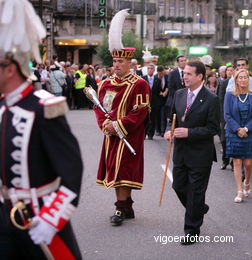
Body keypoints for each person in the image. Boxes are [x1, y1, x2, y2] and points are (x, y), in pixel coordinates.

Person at [0, 1, 83, 258]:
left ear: (10, 68)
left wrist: (51, 220)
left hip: (39, 218)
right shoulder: (3, 109)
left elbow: (71, 173)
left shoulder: (45, 108)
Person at [93, 9, 150, 226]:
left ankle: (120, 211)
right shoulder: (105, 83)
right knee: (114, 171)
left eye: (121, 62)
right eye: (115, 61)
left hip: (129, 134)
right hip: (110, 134)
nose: (116, 65)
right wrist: (105, 124)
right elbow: (98, 107)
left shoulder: (139, 84)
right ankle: (127, 207)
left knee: (124, 171)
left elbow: (140, 111)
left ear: (130, 64)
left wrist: (119, 125)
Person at [164, 60, 219, 245]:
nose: (184, 76)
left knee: (195, 191)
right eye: (184, 73)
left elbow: (213, 129)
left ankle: (192, 230)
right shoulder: (179, 94)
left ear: (200, 76)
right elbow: (171, 117)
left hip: (200, 154)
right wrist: (168, 130)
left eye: (188, 74)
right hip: (180, 152)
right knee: (178, 187)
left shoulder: (211, 99)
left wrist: (189, 132)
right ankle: (199, 208)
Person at [224, 69, 252, 202]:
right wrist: (238, 129)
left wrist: (246, 128)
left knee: (249, 163)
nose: (243, 80)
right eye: (241, 78)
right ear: (236, 80)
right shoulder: (229, 95)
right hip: (233, 132)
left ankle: (247, 182)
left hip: (249, 132)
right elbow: (227, 114)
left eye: (245, 77)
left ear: (248, 80)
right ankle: (239, 190)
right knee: (237, 162)